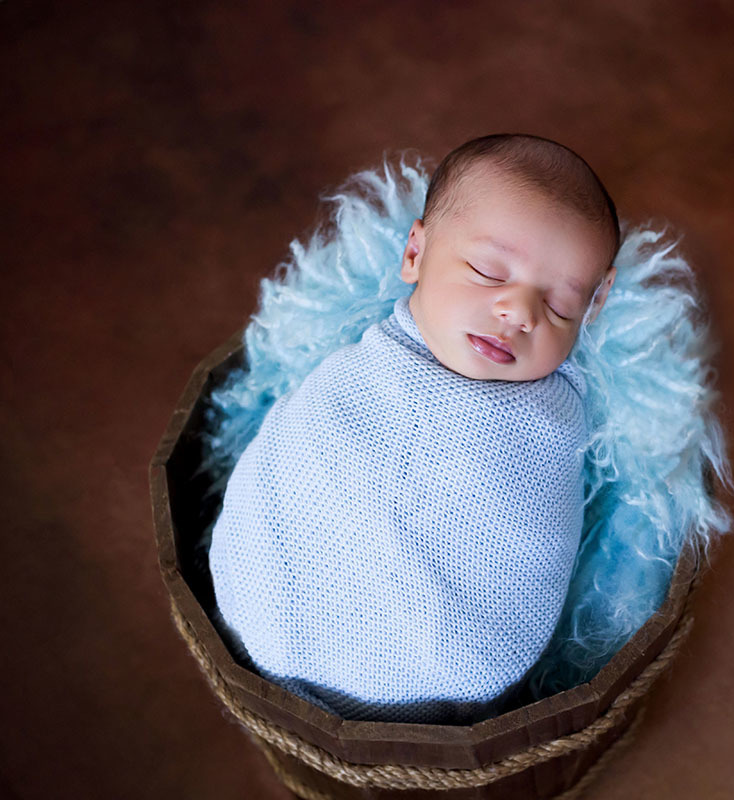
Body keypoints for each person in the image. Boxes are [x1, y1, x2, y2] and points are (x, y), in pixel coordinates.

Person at [208, 134, 620, 723]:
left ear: (594, 305)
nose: (519, 313)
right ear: (415, 254)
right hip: (274, 612)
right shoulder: (361, 368)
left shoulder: (552, 424)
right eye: (486, 270)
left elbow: (534, 538)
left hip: (447, 671)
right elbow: (298, 451)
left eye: (559, 304)